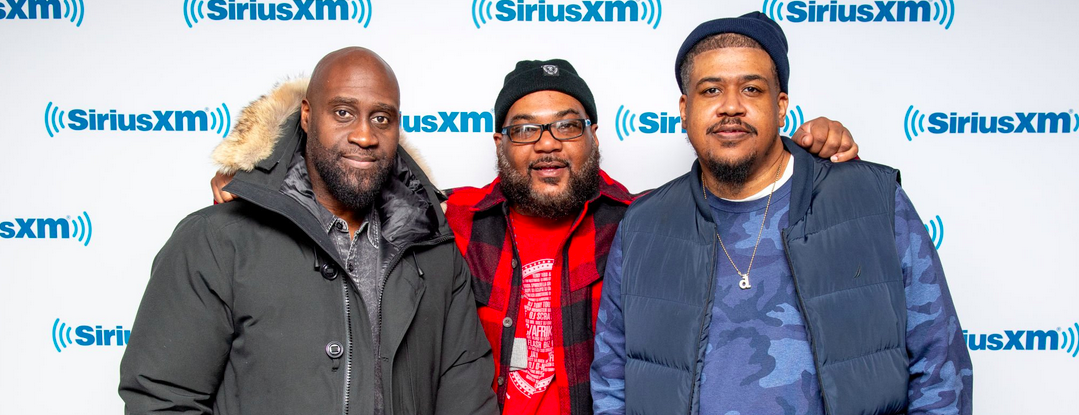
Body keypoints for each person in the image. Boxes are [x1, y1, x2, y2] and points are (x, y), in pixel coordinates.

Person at [207, 59, 860, 415]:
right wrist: (260, 173)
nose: (546, 142)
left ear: (594, 137)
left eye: (566, 125)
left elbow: (748, 215)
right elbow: (344, 165)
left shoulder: (651, 226)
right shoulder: (446, 222)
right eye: (524, 128)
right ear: (498, 143)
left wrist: (802, 151)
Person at [590, 12, 973, 415]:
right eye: (711, 90)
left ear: (781, 105)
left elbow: (940, 370)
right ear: (685, 110)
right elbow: (613, 377)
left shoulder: (871, 200)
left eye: (752, 89)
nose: (731, 107)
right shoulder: (645, 225)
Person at [119, 47, 498, 415]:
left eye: (381, 118)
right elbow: (161, 399)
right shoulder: (217, 241)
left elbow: (467, 396)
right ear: (306, 115)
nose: (365, 136)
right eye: (344, 113)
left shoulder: (434, 250)